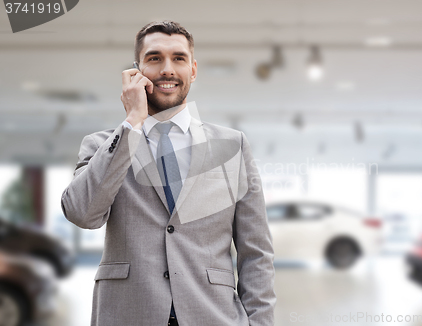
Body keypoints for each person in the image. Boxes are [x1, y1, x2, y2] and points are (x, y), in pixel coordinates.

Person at [61, 21, 276, 326]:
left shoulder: (232, 145)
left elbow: (256, 251)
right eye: (154, 58)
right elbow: (82, 214)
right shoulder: (102, 145)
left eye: (178, 58)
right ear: (136, 71)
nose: (167, 69)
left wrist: (260, 322)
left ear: (193, 69)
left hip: (213, 315)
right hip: (128, 314)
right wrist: (132, 122)